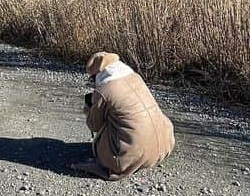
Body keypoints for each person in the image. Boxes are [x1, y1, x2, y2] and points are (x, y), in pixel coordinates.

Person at [70, 51, 175, 180]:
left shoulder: (103, 91)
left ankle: (111, 161)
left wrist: (89, 108)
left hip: (127, 159)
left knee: (108, 124)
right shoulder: (136, 77)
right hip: (165, 146)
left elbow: (94, 125)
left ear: (96, 75)